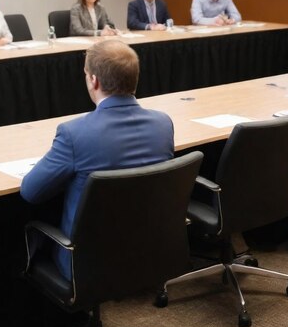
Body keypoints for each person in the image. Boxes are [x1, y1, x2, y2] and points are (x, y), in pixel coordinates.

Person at [20, 39, 174, 279]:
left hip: (86, 260)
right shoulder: (163, 123)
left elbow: (30, 191)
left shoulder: (74, 133)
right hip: (147, 247)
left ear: (94, 80)